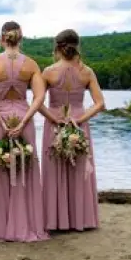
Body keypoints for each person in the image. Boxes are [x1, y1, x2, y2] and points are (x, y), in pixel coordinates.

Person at [0, 21, 49, 242]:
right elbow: (39, 98)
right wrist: (23, 121)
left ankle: (0, 227)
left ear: (1, 39)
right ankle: (26, 224)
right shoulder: (31, 64)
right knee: (25, 170)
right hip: (23, 116)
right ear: (21, 38)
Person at [39, 28, 104, 232]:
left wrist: (55, 119)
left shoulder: (48, 71)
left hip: (54, 124)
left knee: (54, 170)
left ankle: (55, 221)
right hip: (79, 124)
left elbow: (38, 103)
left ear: (57, 47)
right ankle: (81, 220)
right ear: (77, 46)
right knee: (78, 171)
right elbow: (99, 103)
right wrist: (79, 119)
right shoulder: (87, 72)